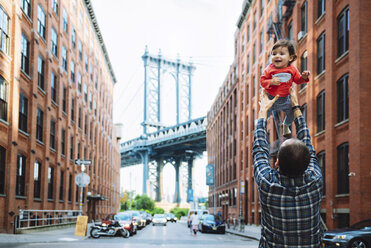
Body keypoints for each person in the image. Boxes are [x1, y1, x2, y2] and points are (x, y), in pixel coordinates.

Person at [253, 88, 323, 248]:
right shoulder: (315, 181)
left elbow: (259, 149)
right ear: (307, 164)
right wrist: (296, 106)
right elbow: (308, 143)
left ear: (276, 162)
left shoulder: (267, 184)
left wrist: (263, 110)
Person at [260, 39, 310, 137]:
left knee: (292, 113)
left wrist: (304, 77)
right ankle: (262, 130)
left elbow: (298, 80)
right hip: (271, 99)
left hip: (285, 99)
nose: (277, 56)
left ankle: (286, 125)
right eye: (274, 54)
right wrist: (270, 82)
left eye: (281, 53)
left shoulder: (292, 69)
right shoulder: (269, 69)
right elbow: (262, 81)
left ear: (290, 58)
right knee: (263, 114)